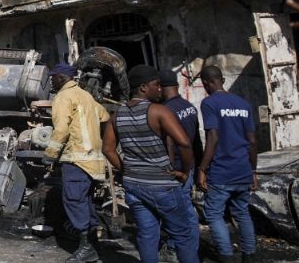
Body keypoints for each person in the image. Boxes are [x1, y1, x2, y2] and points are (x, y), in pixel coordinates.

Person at [102, 65, 199, 263]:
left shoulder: (116, 116)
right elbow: (184, 142)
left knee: (147, 235)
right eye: (156, 85)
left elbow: (108, 150)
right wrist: (184, 171)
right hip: (162, 185)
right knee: (183, 235)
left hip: (134, 186)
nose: (160, 89)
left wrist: (125, 170)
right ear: (144, 87)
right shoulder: (158, 111)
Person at [42, 63, 109, 263]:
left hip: (76, 158)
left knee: (73, 200)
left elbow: (61, 129)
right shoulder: (86, 95)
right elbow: (105, 117)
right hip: (92, 159)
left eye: (53, 77)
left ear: (61, 78)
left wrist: (50, 154)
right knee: (85, 201)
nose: (51, 81)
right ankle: (92, 243)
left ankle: (87, 247)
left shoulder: (63, 97)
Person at [197, 65, 258, 263]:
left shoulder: (209, 103)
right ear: (222, 79)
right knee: (242, 213)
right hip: (242, 169)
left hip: (222, 171)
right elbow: (252, 141)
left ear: (205, 83)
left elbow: (213, 137)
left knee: (214, 214)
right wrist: (253, 171)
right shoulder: (243, 104)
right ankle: (249, 256)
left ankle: (226, 257)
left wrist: (202, 168)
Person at [159, 68, 203, 262]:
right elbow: (196, 142)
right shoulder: (189, 106)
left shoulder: (165, 111)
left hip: (177, 168)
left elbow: (169, 142)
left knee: (179, 212)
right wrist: (200, 167)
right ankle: (190, 246)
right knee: (186, 208)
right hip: (190, 165)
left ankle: (178, 248)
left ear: (159, 88)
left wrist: (170, 169)